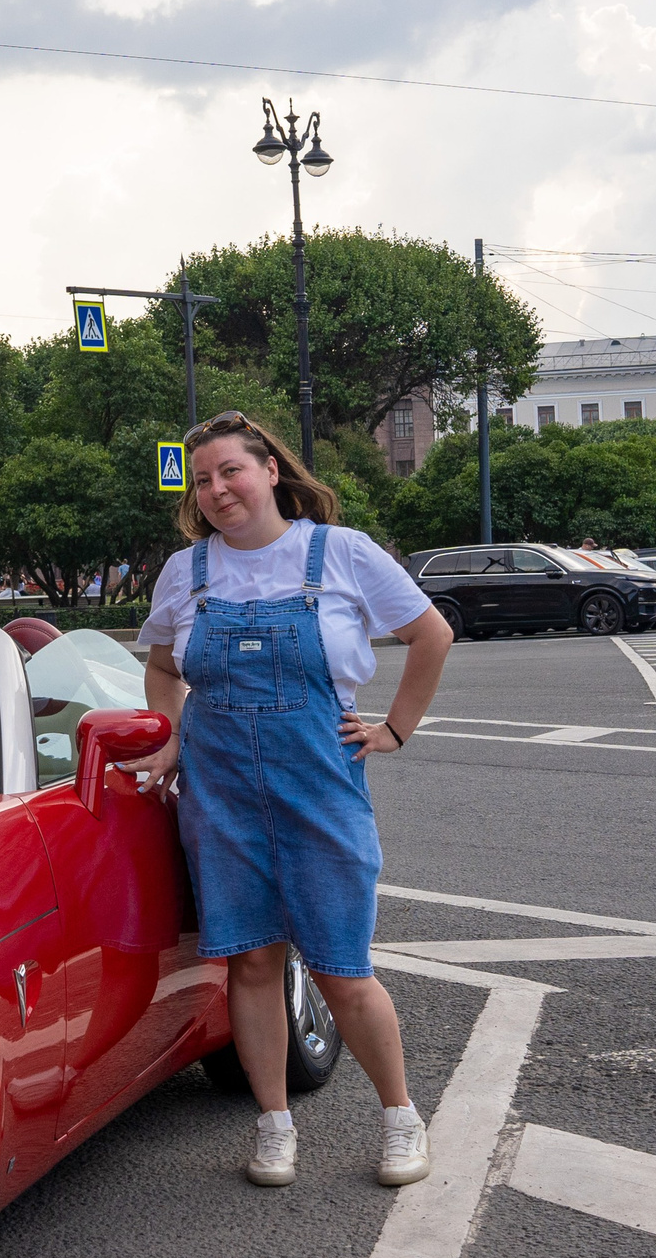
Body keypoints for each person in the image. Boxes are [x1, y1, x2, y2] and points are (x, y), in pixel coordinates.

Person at [122, 410, 455, 1190]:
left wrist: (396, 730)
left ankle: (400, 1117)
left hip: (319, 785)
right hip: (220, 789)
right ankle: (274, 1126)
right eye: (202, 480)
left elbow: (431, 634)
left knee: (342, 969)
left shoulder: (340, 553)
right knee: (252, 963)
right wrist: (169, 736)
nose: (216, 490)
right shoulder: (187, 572)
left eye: (230, 471)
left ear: (271, 470)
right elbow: (166, 668)